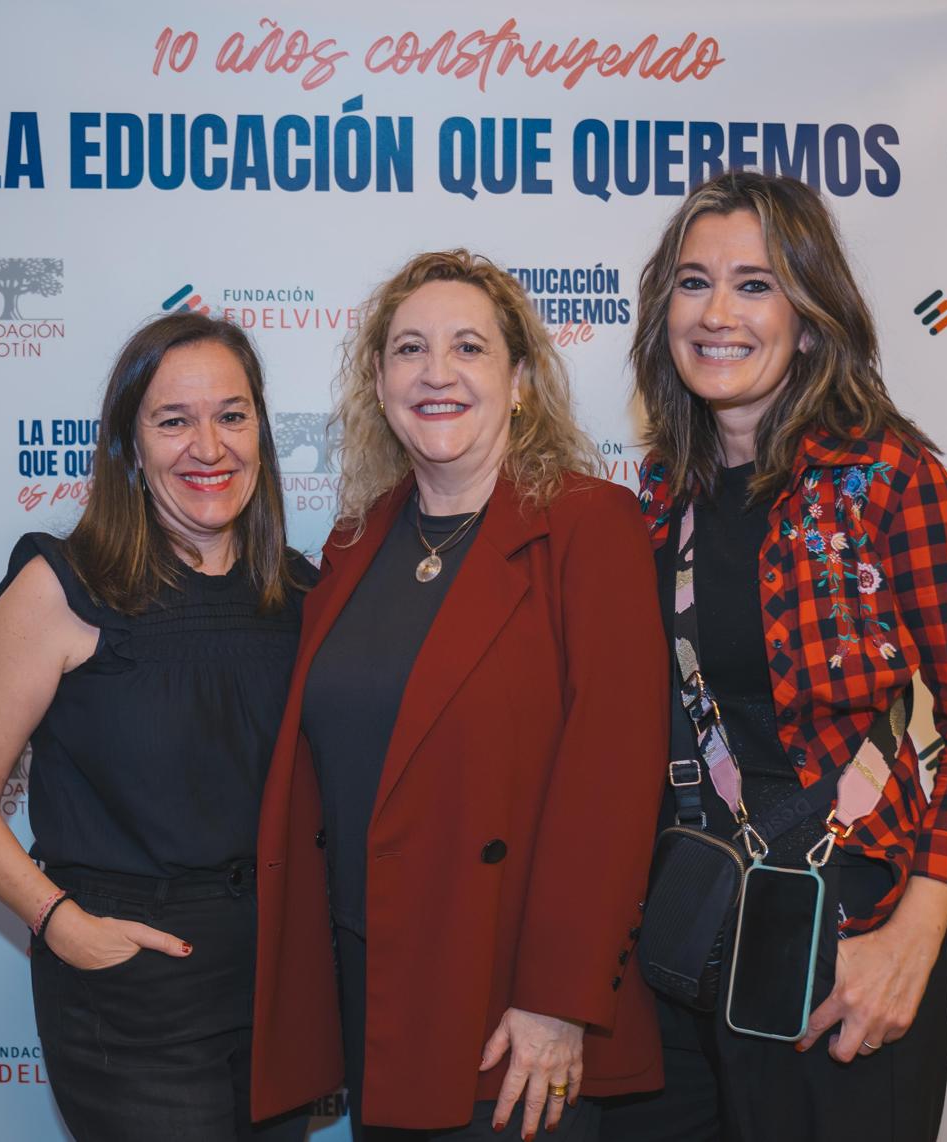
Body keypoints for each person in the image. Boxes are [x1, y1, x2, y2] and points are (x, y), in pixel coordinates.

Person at [599, 171, 947, 1142]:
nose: (716, 312)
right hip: (687, 933)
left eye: (753, 283)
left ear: (808, 308)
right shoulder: (662, 493)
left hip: (848, 936)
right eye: (692, 281)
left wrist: (912, 939)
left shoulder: (890, 479)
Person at [248, 250, 669, 1141]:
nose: (436, 373)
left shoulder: (591, 530)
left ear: (519, 382)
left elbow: (614, 791)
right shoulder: (354, 546)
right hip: (378, 991)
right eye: (409, 350)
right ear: (378, 381)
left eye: (468, 348)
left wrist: (559, 1004)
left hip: (512, 1015)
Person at [0, 312, 313, 1142]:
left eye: (233, 414)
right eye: (173, 420)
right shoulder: (61, 587)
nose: (208, 447)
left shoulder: (296, 591)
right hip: (130, 991)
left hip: (276, 984)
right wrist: (60, 923)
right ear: (129, 448)